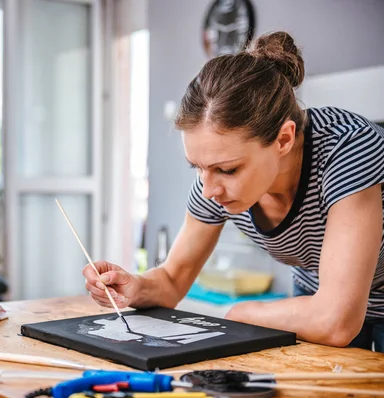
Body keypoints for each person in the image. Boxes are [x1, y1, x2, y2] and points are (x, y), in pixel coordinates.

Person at [83, 31, 384, 351]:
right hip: (315, 300)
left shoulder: (348, 148)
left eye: (227, 169)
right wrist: (136, 287)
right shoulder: (214, 181)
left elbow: (335, 321)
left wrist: (240, 314)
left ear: (284, 140)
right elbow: (171, 280)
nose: (208, 189)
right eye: (197, 167)